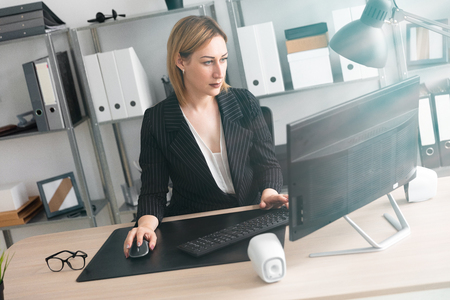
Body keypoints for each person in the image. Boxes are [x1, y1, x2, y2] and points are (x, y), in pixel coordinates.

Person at [124, 15, 288, 258]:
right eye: (208, 62)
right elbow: (153, 191)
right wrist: (145, 226)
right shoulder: (157, 119)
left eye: (223, 59)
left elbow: (267, 163)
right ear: (181, 61)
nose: (219, 72)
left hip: (252, 218)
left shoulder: (244, 102)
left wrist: (269, 193)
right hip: (196, 229)